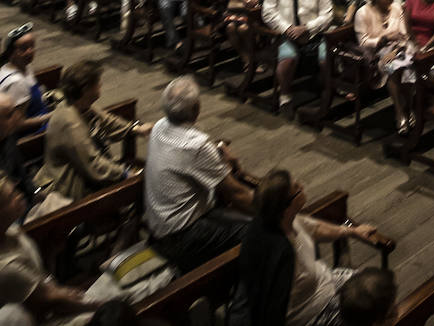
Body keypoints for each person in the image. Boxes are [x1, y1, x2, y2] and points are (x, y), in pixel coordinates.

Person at [237, 167, 376, 326]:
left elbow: (316, 228)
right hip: (311, 313)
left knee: (374, 287)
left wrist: (352, 232)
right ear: (287, 206)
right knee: (368, 311)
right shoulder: (281, 252)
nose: (303, 187)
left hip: (324, 281)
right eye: (297, 188)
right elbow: (274, 310)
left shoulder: (283, 219)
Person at [145, 75, 253, 271]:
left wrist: (218, 148)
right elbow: (236, 194)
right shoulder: (197, 146)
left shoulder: (159, 127)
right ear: (196, 109)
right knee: (256, 233)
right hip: (181, 236)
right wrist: (274, 212)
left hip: (159, 225)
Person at [0, 170, 129, 326]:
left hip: (60, 302)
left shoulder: (12, 231)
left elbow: (41, 276)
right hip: (52, 318)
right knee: (125, 304)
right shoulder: (6, 267)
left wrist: (50, 253)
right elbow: (53, 301)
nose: (20, 195)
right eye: (11, 197)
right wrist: (104, 306)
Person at [35, 58, 150, 202]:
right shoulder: (70, 122)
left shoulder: (79, 105)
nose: (101, 84)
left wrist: (136, 129)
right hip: (69, 185)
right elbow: (93, 164)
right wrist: (125, 174)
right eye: (97, 83)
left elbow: (107, 120)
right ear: (85, 89)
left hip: (84, 171)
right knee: (141, 185)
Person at [262, 0, 333, 112]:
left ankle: (327, 92)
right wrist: (287, 29)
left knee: (325, 59)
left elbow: (327, 16)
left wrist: (307, 28)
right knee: (287, 60)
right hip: (287, 34)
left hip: (314, 35)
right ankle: (285, 96)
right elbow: (267, 10)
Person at [355, 0, 413, 134]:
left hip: (397, 50)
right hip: (373, 56)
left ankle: (407, 107)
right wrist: (385, 38)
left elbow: (403, 34)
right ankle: (400, 111)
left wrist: (395, 50)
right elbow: (363, 42)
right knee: (394, 67)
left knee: (407, 64)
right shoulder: (362, 13)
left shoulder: (395, 8)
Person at [0, 25, 49, 135]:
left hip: (39, 112)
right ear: (11, 53)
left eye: (32, 46)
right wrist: (50, 116)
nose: (30, 51)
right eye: (23, 48)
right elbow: (17, 125)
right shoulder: (17, 83)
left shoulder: (20, 66)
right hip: (31, 132)